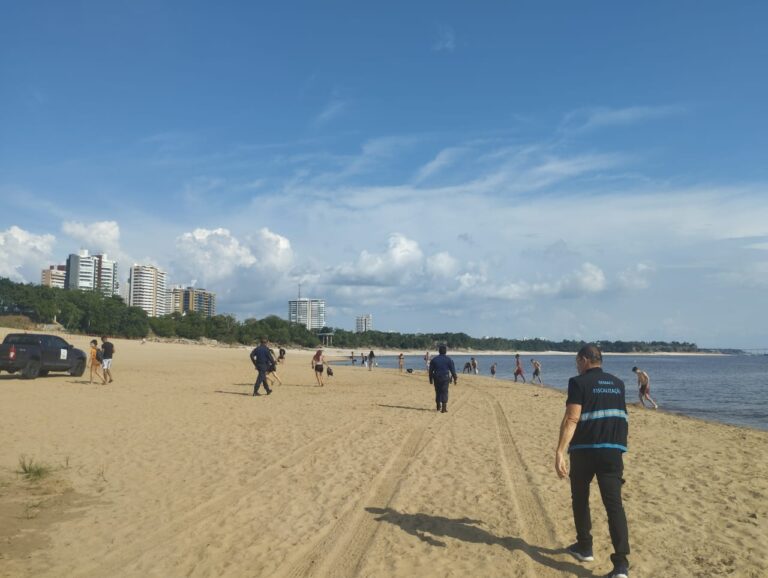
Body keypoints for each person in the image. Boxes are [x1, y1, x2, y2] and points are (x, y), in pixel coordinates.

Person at [555, 344, 630, 578]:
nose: (577, 366)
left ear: (585, 360)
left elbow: (572, 418)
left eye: (577, 361)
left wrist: (559, 450)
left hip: (585, 451)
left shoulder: (578, 383)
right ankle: (620, 566)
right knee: (614, 505)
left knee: (580, 497)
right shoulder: (618, 384)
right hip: (613, 451)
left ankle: (585, 546)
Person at [428, 344, 457, 413]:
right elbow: (453, 371)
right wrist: (455, 378)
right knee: (444, 391)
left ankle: (438, 406)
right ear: (445, 351)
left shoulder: (434, 359)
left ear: (439, 351)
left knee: (438, 391)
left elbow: (430, 371)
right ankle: (444, 408)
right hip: (445, 377)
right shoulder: (449, 359)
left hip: (437, 377)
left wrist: (430, 379)